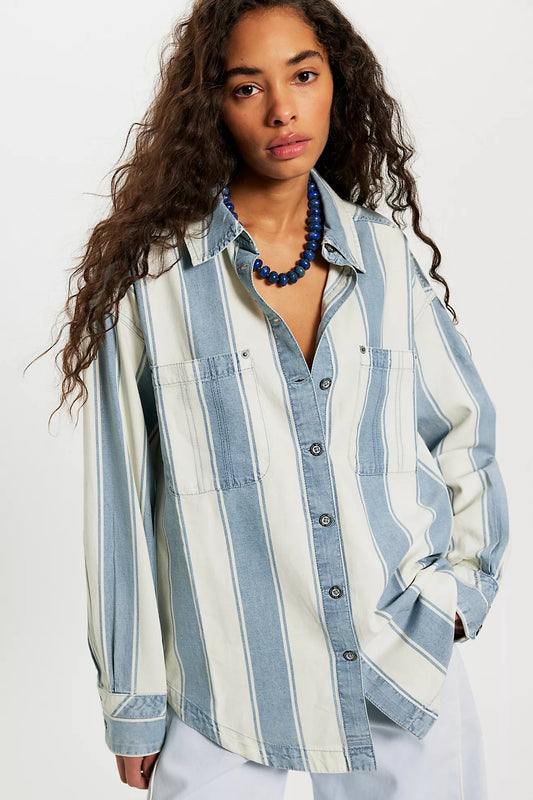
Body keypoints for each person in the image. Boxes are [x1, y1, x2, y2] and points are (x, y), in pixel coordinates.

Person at [49, 0, 509, 796]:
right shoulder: (154, 286)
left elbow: (463, 431)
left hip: (399, 664)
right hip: (224, 684)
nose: (283, 109)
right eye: (245, 87)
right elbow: (121, 503)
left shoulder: (385, 258)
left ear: (337, 82)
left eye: (303, 74)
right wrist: (132, 702)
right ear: (211, 108)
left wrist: (458, 593)